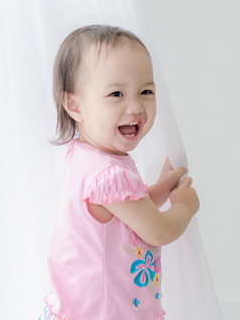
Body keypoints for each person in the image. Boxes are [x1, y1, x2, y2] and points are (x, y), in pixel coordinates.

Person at [40, 25, 200, 320]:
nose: (136, 105)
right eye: (116, 93)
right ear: (74, 105)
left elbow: (119, 217)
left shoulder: (85, 157)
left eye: (146, 91)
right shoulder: (110, 174)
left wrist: (158, 192)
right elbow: (159, 230)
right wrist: (184, 207)